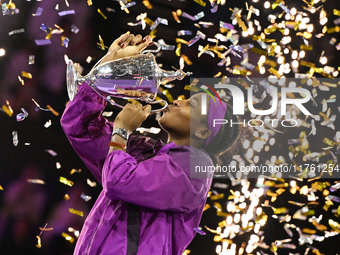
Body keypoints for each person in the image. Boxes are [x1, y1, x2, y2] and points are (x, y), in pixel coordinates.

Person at [60, 32, 240, 255]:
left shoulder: (196, 168)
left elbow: (118, 181)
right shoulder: (145, 151)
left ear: (203, 131)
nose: (177, 100)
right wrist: (110, 63)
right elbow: (80, 126)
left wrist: (122, 132)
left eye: (190, 105)